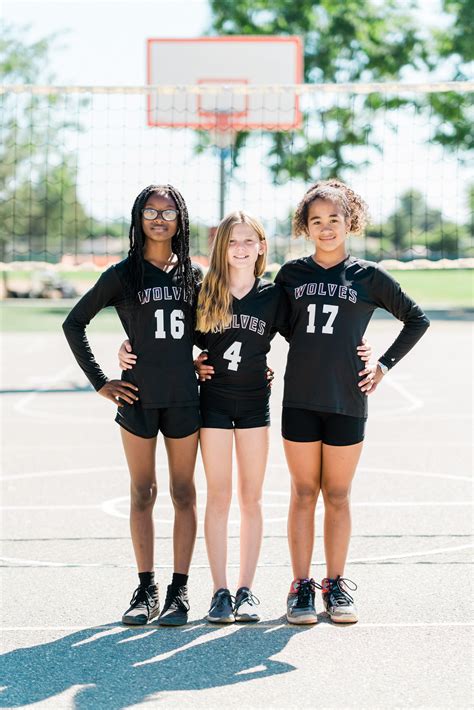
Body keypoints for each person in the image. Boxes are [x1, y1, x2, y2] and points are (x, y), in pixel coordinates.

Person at [120, 210, 373, 624]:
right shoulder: (205, 293)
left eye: (248, 241)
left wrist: (363, 353)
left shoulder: (274, 295)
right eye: (233, 241)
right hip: (214, 404)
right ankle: (219, 591)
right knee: (219, 497)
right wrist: (130, 348)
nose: (241, 248)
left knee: (251, 499)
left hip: (256, 405)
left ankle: (246, 590)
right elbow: (171, 337)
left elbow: (312, 335)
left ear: (261, 248)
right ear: (222, 248)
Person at [274, 179, 430, 625]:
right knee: (304, 492)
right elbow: (273, 324)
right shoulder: (291, 275)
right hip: (300, 398)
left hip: (348, 398)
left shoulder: (369, 276)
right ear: (306, 225)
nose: (326, 228)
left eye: (334, 219)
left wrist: (382, 364)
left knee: (337, 494)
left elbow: (416, 319)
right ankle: (301, 585)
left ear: (350, 222)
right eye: (317, 220)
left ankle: (335, 584)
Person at [63, 184, 202, 627]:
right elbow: (74, 323)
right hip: (138, 397)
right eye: (151, 210)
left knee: (183, 493)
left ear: (180, 220)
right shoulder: (123, 273)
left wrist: (210, 359)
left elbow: (210, 330)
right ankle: (146, 588)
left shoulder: (194, 275)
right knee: (143, 492)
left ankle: (179, 591)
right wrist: (101, 380)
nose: (159, 218)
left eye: (168, 212)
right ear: (138, 217)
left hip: (183, 397)